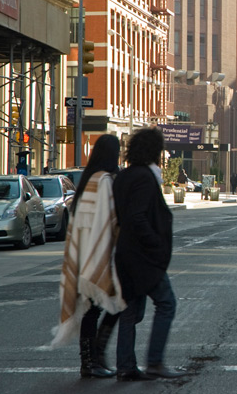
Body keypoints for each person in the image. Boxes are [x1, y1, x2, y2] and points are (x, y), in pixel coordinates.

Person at [48, 134, 125, 379]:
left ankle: (91, 361)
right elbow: (107, 219)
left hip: (85, 253)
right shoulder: (102, 181)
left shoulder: (89, 180)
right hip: (96, 253)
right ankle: (91, 362)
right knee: (95, 309)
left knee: (94, 309)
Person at [113, 128, 185, 381]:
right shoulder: (144, 177)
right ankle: (154, 362)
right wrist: (156, 243)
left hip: (125, 254)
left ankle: (126, 366)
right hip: (142, 257)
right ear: (154, 150)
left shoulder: (123, 177)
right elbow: (137, 216)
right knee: (166, 303)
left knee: (130, 311)